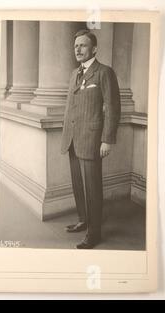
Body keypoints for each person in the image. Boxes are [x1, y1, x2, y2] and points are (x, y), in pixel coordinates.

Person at [60, 29, 121, 249]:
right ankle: (83, 220)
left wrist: (107, 139)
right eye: (76, 46)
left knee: (93, 188)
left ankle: (94, 233)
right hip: (73, 140)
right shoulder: (73, 74)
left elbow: (113, 108)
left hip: (93, 140)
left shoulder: (104, 72)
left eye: (83, 45)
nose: (78, 49)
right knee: (78, 185)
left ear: (94, 48)